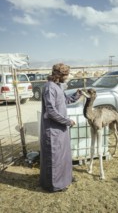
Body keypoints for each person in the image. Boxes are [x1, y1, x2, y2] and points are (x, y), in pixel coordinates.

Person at [40, 63, 81, 192]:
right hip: (52, 130)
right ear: (59, 75)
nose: (67, 78)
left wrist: (77, 95)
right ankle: (54, 185)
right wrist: (67, 121)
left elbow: (64, 101)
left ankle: (64, 179)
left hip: (60, 128)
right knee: (54, 157)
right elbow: (50, 111)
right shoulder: (49, 88)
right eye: (66, 75)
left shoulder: (57, 86)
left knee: (63, 155)